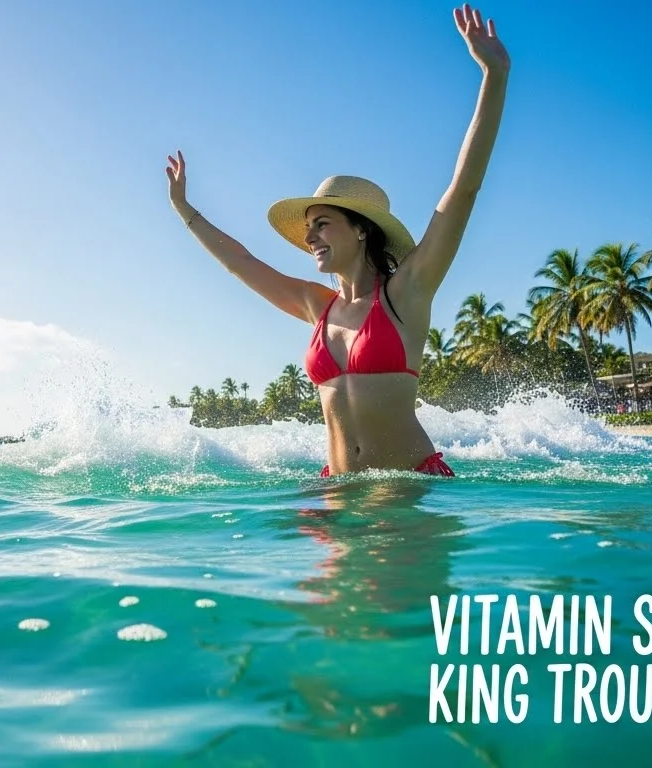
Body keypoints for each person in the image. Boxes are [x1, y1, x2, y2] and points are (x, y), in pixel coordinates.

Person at [165, 4, 509, 476]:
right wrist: (184, 209)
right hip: (337, 489)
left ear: (361, 229)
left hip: (403, 486)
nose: (309, 237)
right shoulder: (316, 306)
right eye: (309, 227)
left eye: (322, 224)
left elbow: (463, 190)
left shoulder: (406, 293)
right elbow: (241, 262)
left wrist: (494, 76)